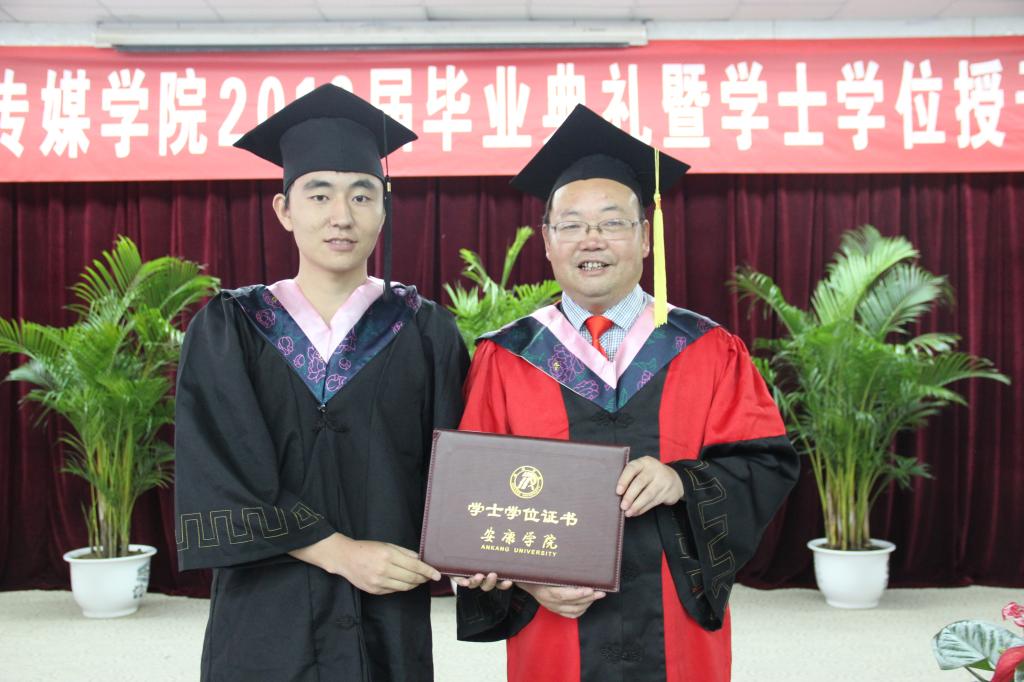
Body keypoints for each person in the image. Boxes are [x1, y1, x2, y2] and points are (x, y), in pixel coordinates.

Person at [454, 104, 799, 681]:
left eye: (612, 222)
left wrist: (681, 481)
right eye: (571, 225)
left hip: (675, 619)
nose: (591, 240)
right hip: (555, 624)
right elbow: (472, 495)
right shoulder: (507, 356)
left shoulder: (709, 349)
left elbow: (764, 465)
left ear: (644, 237)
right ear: (547, 242)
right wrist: (529, 580)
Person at [174, 84, 468, 682]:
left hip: (387, 614)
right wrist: (341, 554)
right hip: (266, 614)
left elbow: (460, 474)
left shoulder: (425, 331)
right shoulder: (232, 328)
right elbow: (219, 475)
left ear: (384, 207)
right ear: (284, 210)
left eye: (362, 195)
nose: (342, 215)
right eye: (319, 194)